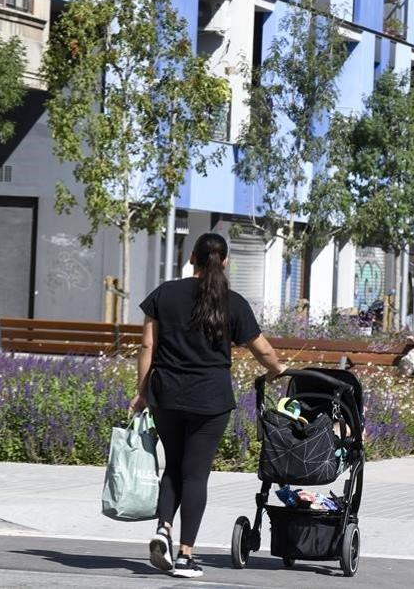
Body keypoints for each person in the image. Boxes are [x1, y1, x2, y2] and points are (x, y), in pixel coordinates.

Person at [129, 232, 286, 577]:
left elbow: (146, 348)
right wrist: (279, 369)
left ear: (191, 259)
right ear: (225, 261)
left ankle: (163, 529)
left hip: (166, 394)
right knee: (195, 474)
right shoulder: (231, 301)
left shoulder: (164, 294)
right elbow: (262, 349)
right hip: (210, 399)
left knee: (172, 467)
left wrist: (142, 393)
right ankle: (185, 556)